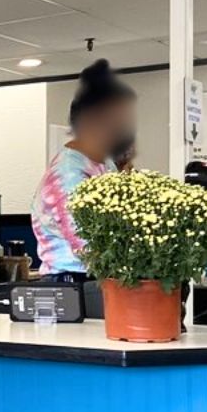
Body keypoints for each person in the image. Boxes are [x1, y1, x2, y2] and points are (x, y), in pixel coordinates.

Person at [31, 59, 137, 280]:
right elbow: (86, 244)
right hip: (72, 281)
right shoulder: (68, 175)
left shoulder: (103, 162)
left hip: (98, 277)